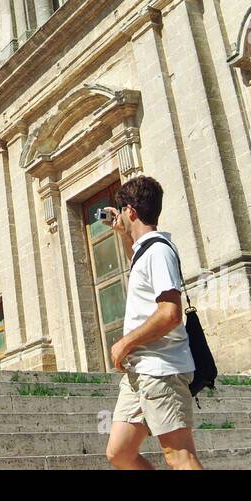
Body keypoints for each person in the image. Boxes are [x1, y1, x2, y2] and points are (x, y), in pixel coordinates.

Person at [103, 175, 204, 470]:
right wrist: (122, 234)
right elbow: (138, 268)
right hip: (140, 371)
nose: (119, 216)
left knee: (179, 456)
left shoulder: (159, 251)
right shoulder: (144, 252)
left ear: (131, 211)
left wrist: (124, 343)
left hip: (161, 369)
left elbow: (169, 314)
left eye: (121, 211)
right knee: (120, 453)